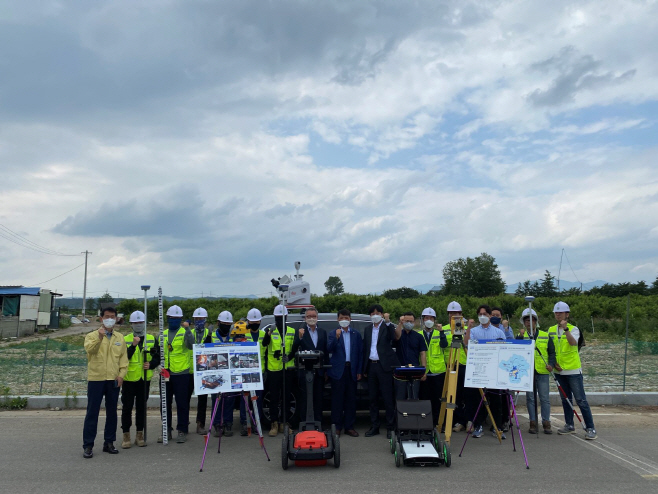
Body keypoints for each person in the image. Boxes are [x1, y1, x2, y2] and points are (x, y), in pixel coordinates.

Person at [82, 306, 128, 459]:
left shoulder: (119, 337)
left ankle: (109, 442)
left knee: (112, 413)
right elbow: (90, 351)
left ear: (116, 319)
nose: (109, 319)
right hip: (96, 379)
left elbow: (123, 358)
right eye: (107, 316)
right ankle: (88, 445)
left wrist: (121, 375)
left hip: (113, 379)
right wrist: (99, 338)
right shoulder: (91, 336)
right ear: (101, 319)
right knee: (92, 412)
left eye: (112, 316)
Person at [551, 301, 597, 440]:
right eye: (556, 312)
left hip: (573, 371)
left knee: (581, 400)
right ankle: (569, 425)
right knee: (566, 400)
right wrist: (553, 363)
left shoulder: (573, 329)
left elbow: (573, 343)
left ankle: (590, 428)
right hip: (559, 371)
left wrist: (566, 330)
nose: (558, 314)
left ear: (567, 314)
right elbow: (550, 350)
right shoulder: (551, 330)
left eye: (561, 312)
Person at [464, 304, 507, 439]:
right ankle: (478, 426)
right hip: (479, 370)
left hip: (493, 370)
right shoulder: (475, 331)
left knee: (496, 399)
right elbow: (466, 343)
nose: (482, 316)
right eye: (480, 314)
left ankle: (497, 427)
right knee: (478, 399)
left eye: (485, 314)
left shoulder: (498, 332)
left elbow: (503, 350)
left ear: (489, 315)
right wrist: (469, 328)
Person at [121, 310, 159, 449]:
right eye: (135, 323)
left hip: (144, 379)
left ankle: (139, 435)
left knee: (141, 408)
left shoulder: (150, 338)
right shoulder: (125, 339)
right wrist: (133, 346)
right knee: (127, 408)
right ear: (131, 324)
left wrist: (152, 364)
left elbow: (157, 356)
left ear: (144, 323)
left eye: (140, 322)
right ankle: (126, 435)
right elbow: (123, 358)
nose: (138, 325)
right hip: (129, 379)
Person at [362, 304, 401, 439]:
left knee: (387, 398)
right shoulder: (367, 329)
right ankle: (375, 426)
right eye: (373, 313)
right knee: (372, 398)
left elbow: (394, 338)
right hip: (371, 366)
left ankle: (390, 427)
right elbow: (365, 349)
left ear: (382, 314)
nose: (375, 315)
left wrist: (388, 322)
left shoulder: (387, 327)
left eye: (378, 313)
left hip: (384, 367)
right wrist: (364, 368)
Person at [516, 308, 556, 434]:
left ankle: (546, 422)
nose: (529, 322)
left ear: (536, 321)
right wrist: (520, 338)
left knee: (544, 398)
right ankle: (532, 422)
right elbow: (515, 352)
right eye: (526, 320)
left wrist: (551, 365)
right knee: (531, 399)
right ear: (523, 322)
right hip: (528, 373)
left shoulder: (545, 335)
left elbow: (552, 353)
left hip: (542, 372)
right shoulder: (521, 336)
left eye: (532, 320)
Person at [159, 304, 193, 444]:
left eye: (176, 318)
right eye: (171, 318)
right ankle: (166, 430)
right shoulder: (163, 333)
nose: (173, 320)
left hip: (182, 373)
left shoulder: (184, 332)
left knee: (182, 403)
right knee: (165, 404)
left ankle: (182, 430)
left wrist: (188, 330)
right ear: (167, 318)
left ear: (180, 319)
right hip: (166, 374)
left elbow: (191, 345)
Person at [290, 307, 329, 427]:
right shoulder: (300, 331)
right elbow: (293, 350)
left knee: (318, 399)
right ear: (305, 318)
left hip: (319, 372)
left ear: (317, 318)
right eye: (309, 316)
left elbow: (326, 352)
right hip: (305, 372)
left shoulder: (322, 332)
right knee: (305, 399)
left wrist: (326, 370)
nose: (311, 319)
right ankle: (304, 423)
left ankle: (318, 423)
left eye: (313, 316)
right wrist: (300, 337)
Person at [261, 304, 296, 436]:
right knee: (274, 397)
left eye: (282, 317)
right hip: (274, 369)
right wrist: (269, 333)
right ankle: (274, 423)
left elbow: (295, 348)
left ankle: (285, 423)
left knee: (287, 397)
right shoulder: (271, 330)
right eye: (277, 318)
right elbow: (264, 344)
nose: (280, 320)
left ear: (286, 317)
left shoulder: (292, 331)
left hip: (287, 369)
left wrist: (290, 356)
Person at [327, 309, 363, 437]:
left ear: (350, 319)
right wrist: (336, 338)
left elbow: (360, 353)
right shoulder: (333, 333)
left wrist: (359, 370)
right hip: (338, 371)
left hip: (351, 370)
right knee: (337, 400)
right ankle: (337, 427)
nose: (344, 320)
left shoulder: (356, 334)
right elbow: (329, 349)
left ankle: (349, 426)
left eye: (346, 318)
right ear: (338, 319)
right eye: (342, 318)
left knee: (350, 400)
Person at [238, 308, 267, 436]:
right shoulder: (244, 335)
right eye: (252, 321)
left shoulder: (263, 334)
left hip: (259, 372)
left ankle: (256, 424)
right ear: (248, 321)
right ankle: (245, 423)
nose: (255, 323)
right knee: (244, 399)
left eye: (257, 321)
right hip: (245, 371)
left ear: (260, 321)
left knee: (257, 399)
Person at [418, 307, 448, 427]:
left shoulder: (439, 333)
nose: (428, 320)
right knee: (425, 398)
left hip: (438, 372)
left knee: (438, 399)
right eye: (426, 318)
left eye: (431, 318)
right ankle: (426, 422)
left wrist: (441, 332)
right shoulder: (418, 334)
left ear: (434, 320)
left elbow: (444, 345)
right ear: (423, 320)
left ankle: (438, 422)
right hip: (424, 372)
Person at [442, 301, 468, 432]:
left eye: (455, 313)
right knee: (450, 395)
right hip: (449, 365)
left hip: (463, 365)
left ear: (460, 314)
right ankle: (450, 420)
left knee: (463, 395)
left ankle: (462, 421)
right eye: (451, 313)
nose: (453, 315)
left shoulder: (466, 328)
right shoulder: (444, 329)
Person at [210, 310, 235, 437]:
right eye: (224, 323)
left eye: (228, 324)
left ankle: (228, 423)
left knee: (229, 399)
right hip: (215, 373)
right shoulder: (213, 336)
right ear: (218, 323)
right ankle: (216, 424)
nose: (226, 326)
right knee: (216, 399)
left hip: (230, 373)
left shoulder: (233, 336)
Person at [189, 307, 212, 435]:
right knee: (185, 399)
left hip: (204, 371)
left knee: (202, 400)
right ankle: (184, 423)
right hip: (190, 371)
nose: (199, 321)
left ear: (205, 319)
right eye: (197, 319)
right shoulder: (189, 332)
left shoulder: (209, 333)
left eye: (201, 319)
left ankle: (200, 424)